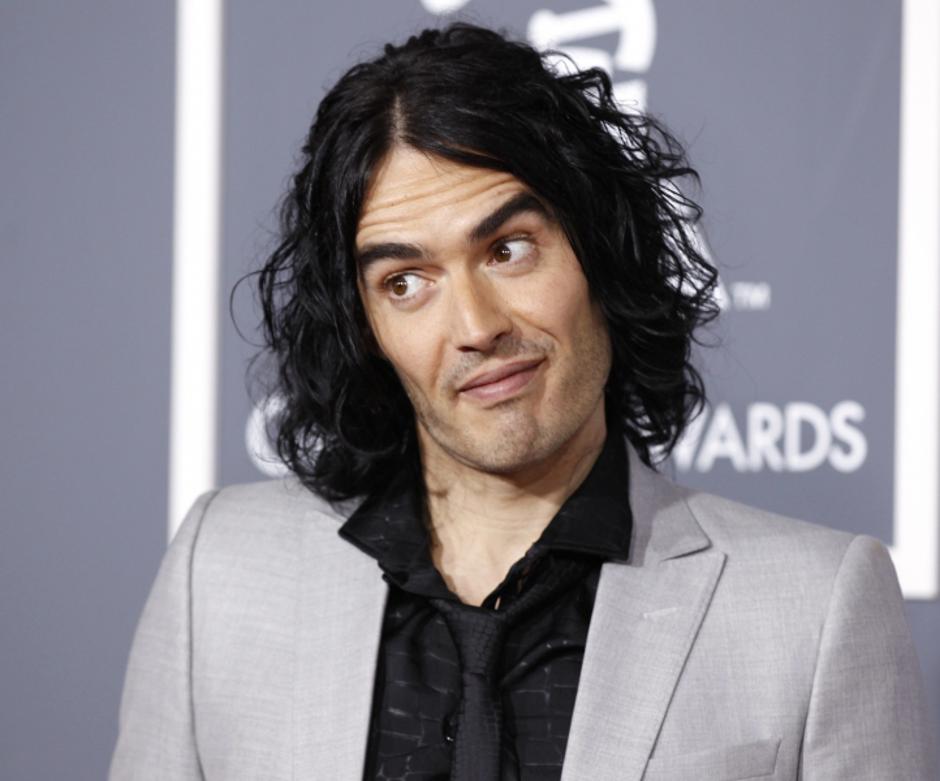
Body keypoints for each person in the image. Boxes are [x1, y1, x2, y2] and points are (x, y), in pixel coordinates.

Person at [110, 23, 935, 781]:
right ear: (365, 327)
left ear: (599, 251)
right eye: (406, 282)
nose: (475, 327)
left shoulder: (815, 608)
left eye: (507, 248)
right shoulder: (219, 571)